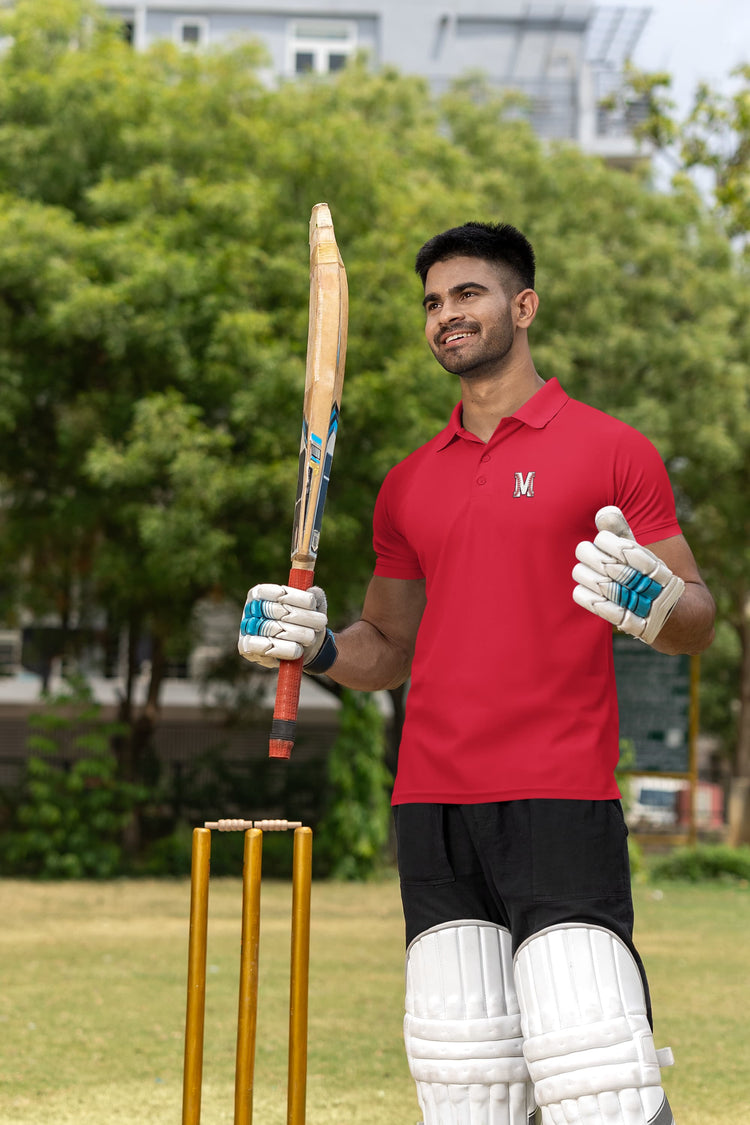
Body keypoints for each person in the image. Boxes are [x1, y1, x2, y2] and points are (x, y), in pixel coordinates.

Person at [238, 222, 715, 1125]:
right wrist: (320, 646)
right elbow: (389, 645)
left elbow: (698, 618)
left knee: (597, 1079)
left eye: (467, 294)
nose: (445, 315)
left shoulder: (613, 450)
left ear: (523, 306)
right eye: (432, 302)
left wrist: (658, 603)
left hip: (558, 791)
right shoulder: (409, 482)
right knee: (467, 1086)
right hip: (431, 801)